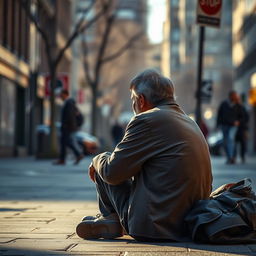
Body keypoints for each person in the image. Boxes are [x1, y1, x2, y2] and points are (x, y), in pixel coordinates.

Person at [76, 69, 212, 242]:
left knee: (104, 163)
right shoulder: (189, 121)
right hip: (189, 223)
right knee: (114, 163)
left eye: (133, 99)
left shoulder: (146, 120)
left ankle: (112, 218)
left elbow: (112, 172)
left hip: (154, 226)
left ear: (141, 100)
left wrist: (96, 159)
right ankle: (112, 220)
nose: (133, 105)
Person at [54, 89, 83, 165]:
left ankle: (77, 154)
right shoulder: (69, 102)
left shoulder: (69, 102)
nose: (60, 97)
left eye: (61, 95)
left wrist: (67, 125)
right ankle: (63, 159)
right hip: (68, 127)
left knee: (66, 142)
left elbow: (70, 116)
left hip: (67, 127)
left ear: (65, 94)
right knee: (65, 142)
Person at [216, 91, 240, 164]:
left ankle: (231, 157)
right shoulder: (224, 104)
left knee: (230, 140)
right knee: (225, 142)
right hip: (224, 125)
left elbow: (243, 116)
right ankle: (229, 157)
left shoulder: (238, 105)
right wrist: (218, 124)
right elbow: (219, 114)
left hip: (233, 126)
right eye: (233, 96)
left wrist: (239, 121)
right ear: (230, 96)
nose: (234, 97)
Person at [235, 95, 249, 163]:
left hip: (241, 128)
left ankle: (242, 156)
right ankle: (234, 157)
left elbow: (246, 118)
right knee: (235, 143)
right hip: (235, 128)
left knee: (242, 143)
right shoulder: (234, 107)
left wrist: (239, 122)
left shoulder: (242, 108)